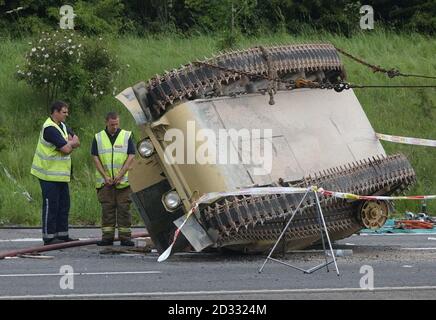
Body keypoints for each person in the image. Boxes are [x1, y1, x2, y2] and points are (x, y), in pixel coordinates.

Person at [31, 101, 80, 245]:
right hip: (47, 174)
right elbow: (66, 149)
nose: (67, 114)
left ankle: (62, 235)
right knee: (51, 205)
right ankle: (49, 237)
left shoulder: (63, 126)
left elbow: (77, 141)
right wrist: (68, 144)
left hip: (61, 175)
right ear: (55, 112)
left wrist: (68, 143)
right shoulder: (49, 129)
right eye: (64, 112)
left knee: (64, 204)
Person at [91, 112, 135, 246]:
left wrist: (121, 174)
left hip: (123, 182)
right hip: (106, 183)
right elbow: (95, 157)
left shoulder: (126, 136)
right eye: (112, 124)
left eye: (117, 124)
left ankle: (125, 238)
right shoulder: (98, 137)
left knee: (124, 210)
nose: (115, 127)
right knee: (107, 210)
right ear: (106, 122)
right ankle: (107, 238)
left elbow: (131, 156)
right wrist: (105, 176)